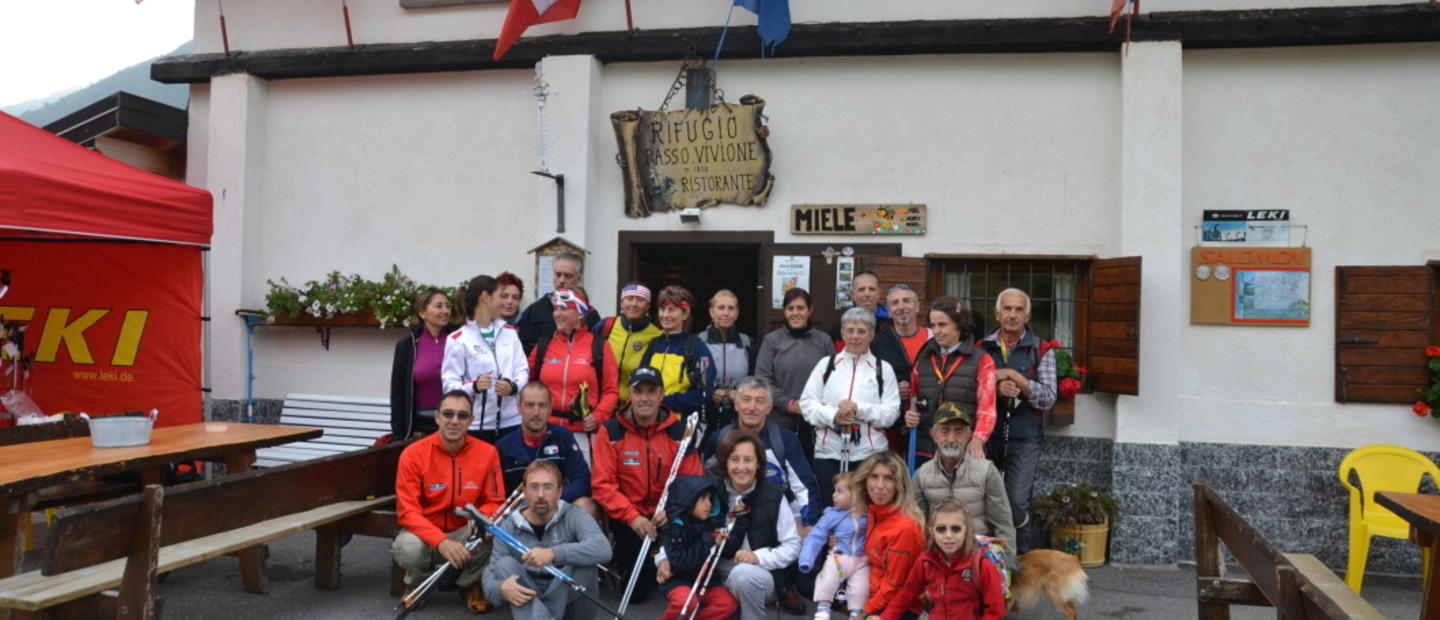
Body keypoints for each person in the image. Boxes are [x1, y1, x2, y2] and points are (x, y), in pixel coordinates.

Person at [698, 376, 820, 616]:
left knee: (796, 547)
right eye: (746, 400)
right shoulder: (718, 438)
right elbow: (704, 483)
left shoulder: (783, 439)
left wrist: (809, 522)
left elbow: (805, 486)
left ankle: (784, 584)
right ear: (736, 403)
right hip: (735, 513)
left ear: (769, 407)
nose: (752, 407)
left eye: (759, 401)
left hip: (777, 516)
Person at [658, 430, 801, 620]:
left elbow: (792, 545)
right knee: (723, 605)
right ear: (725, 462)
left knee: (742, 575)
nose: (741, 467)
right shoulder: (707, 490)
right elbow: (682, 525)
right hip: (712, 576)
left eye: (748, 460)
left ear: (758, 463)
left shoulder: (774, 496)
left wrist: (758, 557)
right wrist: (663, 558)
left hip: (757, 576)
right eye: (735, 459)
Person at [592, 367, 703, 605]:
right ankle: (653, 563)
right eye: (638, 391)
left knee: (689, 584)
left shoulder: (680, 431)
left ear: (662, 394)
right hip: (631, 521)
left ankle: (664, 561)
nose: (644, 398)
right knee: (635, 595)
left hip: (671, 517)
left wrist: (673, 511)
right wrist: (632, 517)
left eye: (651, 391)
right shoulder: (611, 430)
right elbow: (603, 485)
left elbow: (693, 483)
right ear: (629, 394)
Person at [392, 389, 507, 614]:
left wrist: (478, 520)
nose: (455, 421)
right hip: (425, 533)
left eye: (463, 415)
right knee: (408, 548)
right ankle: (417, 583)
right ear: (436, 417)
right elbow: (407, 512)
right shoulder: (413, 454)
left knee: (495, 533)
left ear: (472, 420)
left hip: (464, 531)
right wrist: (441, 541)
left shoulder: (488, 452)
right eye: (448, 414)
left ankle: (470, 584)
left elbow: (495, 501)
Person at [978, 288, 1057, 553]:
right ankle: (987, 563)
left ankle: (1019, 562)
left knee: (1016, 502)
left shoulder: (1042, 350)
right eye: (1007, 309)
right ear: (997, 313)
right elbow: (969, 389)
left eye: (1019, 310)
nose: (1012, 315)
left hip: (1024, 438)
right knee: (982, 500)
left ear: (1028, 315)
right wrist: (994, 387)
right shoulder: (980, 348)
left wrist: (1016, 377)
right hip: (985, 439)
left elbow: (1047, 398)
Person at [482, 460, 612, 620]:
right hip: (530, 592)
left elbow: (604, 549)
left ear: (559, 491)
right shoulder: (508, 526)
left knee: (586, 559)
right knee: (504, 564)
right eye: (534, 487)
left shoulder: (575, 515)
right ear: (525, 491)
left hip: (570, 598)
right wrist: (500, 589)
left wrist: (554, 553)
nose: (540, 495)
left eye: (548, 487)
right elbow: (489, 578)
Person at [801, 307, 901, 512]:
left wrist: (858, 409)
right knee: (829, 511)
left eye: (861, 331)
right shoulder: (826, 365)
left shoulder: (883, 369)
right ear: (843, 333)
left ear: (871, 334)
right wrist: (834, 416)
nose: (855, 336)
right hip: (828, 453)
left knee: (866, 512)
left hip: (869, 455)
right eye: (850, 330)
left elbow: (891, 413)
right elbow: (807, 405)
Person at [868, 498, 1006, 620]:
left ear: (968, 530)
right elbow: (907, 593)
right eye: (941, 529)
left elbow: (995, 611)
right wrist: (885, 617)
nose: (948, 535)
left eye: (956, 529)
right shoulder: (926, 561)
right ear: (931, 530)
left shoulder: (982, 566)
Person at [527, 286, 619, 463]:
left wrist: (598, 416)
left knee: (581, 485)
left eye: (564, 308)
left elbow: (611, 390)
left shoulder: (599, 345)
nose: (557, 314)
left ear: (580, 314)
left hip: (583, 432)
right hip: (547, 430)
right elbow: (528, 381)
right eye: (556, 308)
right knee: (546, 486)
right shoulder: (545, 344)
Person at [911, 403, 1015, 560]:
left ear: (968, 436)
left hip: (979, 556)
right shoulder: (922, 475)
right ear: (934, 435)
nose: (951, 439)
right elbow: (917, 526)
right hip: (940, 558)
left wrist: (1006, 568)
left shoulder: (986, 471)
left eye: (958, 432)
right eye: (945, 431)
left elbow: (1003, 524)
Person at [905, 296, 996, 470]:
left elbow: (987, 411)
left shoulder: (982, 360)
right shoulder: (924, 357)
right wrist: (910, 414)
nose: (936, 331)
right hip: (925, 449)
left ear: (959, 324)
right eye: (933, 325)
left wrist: (978, 440)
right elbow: (913, 398)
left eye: (942, 325)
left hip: (962, 451)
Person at [494, 382, 600, 521]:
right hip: (520, 514)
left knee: (586, 505)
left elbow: (583, 480)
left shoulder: (563, 437)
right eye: (529, 405)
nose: (536, 412)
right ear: (519, 407)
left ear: (550, 408)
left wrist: (550, 499)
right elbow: (498, 496)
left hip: (556, 508)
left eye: (542, 405)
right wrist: (530, 505)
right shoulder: (503, 446)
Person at [443, 275, 530, 444]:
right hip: (476, 425)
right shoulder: (458, 339)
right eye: (500, 296)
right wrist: (474, 386)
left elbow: (522, 370)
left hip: (512, 422)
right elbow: (449, 385)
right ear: (485, 297)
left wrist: (513, 387)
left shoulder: (510, 332)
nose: (504, 302)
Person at [755, 288, 833, 461]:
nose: (795, 313)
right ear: (784, 312)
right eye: (790, 309)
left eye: (800, 308)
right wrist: (788, 404)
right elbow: (763, 380)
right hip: (779, 423)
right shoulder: (772, 341)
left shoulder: (824, 341)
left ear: (810, 310)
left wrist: (814, 405)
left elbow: (833, 379)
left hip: (815, 424)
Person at [852, 451, 925, 620]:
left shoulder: (903, 529)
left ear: (899, 484)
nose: (880, 486)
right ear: (864, 481)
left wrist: (863, 613)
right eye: (874, 477)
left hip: (900, 605)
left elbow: (894, 586)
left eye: (888, 478)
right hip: (875, 593)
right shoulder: (875, 512)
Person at [656, 475, 741, 620]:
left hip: (706, 582)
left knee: (727, 603)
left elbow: (729, 548)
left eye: (710, 499)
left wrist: (739, 519)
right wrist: (709, 540)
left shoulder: (714, 524)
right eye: (702, 499)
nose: (709, 504)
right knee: (686, 602)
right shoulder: (675, 528)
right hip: (679, 580)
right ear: (687, 501)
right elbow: (682, 563)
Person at [797, 473, 868, 620]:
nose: (834, 495)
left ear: (856, 494)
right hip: (839, 556)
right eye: (835, 490)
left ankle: (856, 613)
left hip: (862, 560)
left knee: (861, 588)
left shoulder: (868, 514)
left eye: (840, 491)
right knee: (828, 580)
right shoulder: (831, 515)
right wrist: (806, 559)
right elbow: (816, 536)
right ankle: (823, 610)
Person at [391, 287, 457, 440]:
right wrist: (399, 435)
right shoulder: (407, 346)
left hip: (455, 422)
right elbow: (398, 393)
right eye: (439, 306)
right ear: (422, 313)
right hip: (421, 426)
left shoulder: (460, 339)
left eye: (448, 306)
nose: (446, 311)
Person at [641, 286, 716, 418]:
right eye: (662, 309)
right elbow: (640, 381)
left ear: (685, 314)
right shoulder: (654, 345)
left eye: (672, 310)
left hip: (680, 427)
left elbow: (704, 394)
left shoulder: (698, 348)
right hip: (649, 422)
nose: (665, 315)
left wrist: (664, 401)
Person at [517, 252, 601, 354]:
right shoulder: (535, 310)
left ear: (579, 279)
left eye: (568, 276)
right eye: (558, 274)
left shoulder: (590, 314)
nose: (561, 280)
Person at [593, 283, 664, 404]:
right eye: (629, 299)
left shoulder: (657, 336)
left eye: (640, 300)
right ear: (621, 303)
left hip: (635, 407)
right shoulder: (606, 325)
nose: (634, 304)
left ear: (647, 306)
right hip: (601, 404)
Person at [884, 283, 930, 459]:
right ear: (889, 310)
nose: (901, 306)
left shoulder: (933, 339)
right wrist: (894, 391)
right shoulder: (879, 343)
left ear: (917, 307)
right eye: (895, 303)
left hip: (927, 426)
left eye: (906, 301)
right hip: (891, 429)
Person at [702, 289, 756, 434]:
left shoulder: (747, 343)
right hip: (706, 416)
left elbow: (755, 379)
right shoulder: (699, 341)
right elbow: (692, 380)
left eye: (731, 308)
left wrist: (740, 394)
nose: (726, 313)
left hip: (739, 416)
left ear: (737, 313)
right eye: (721, 308)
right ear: (711, 312)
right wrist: (709, 393)